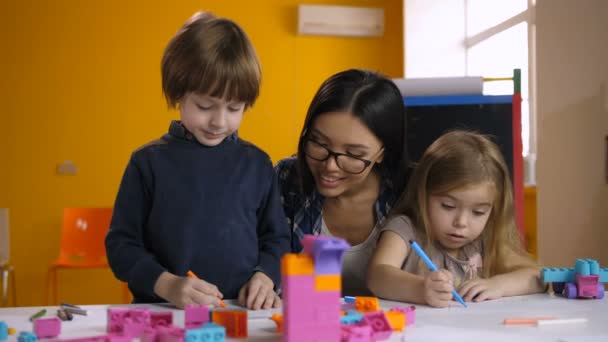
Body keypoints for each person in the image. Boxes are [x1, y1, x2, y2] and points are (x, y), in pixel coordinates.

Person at [105, 11, 289, 310]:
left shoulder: (257, 164)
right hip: (163, 312)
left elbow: (277, 239)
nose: (219, 121)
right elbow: (121, 246)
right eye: (205, 105)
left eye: (234, 107)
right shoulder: (147, 163)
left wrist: (265, 276)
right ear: (178, 94)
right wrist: (166, 284)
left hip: (241, 313)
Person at [367, 130, 545, 307]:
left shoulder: (486, 238)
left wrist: (498, 285)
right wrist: (421, 289)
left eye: (478, 212)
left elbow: (538, 276)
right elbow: (378, 276)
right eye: (448, 206)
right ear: (423, 194)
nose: (461, 222)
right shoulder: (405, 229)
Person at [275, 69, 409, 296]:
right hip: (306, 325)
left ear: (382, 152)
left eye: (353, 154)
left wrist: (493, 282)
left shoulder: (409, 191)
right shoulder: (287, 180)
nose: (330, 166)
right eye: (319, 143)